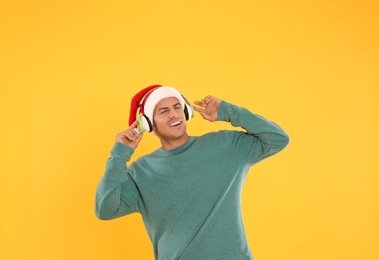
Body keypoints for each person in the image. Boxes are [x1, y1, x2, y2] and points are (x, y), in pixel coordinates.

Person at [95, 85, 290, 260]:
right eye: (163, 111)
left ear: (186, 111)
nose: (174, 115)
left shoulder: (225, 145)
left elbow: (278, 139)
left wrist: (228, 112)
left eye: (177, 107)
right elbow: (105, 209)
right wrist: (120, 153)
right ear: (148, 124)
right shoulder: (141, 172)